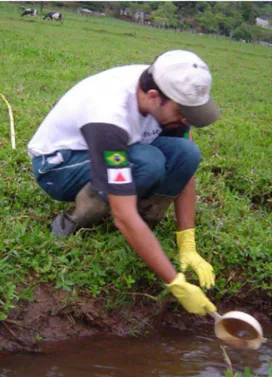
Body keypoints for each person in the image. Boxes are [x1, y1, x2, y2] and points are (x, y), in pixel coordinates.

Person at [28, 49, 220, 316]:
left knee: (186, 153)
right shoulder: (109, 113)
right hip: (59, 165)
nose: (186, 120)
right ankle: (73, 222)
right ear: (154, 98)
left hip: (122, 148)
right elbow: (124, 215)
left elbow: (185, 171)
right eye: (183, 113)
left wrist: (188, 246)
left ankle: (146, 226)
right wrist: (176, 283)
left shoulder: (168, 89)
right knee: (147, 162)